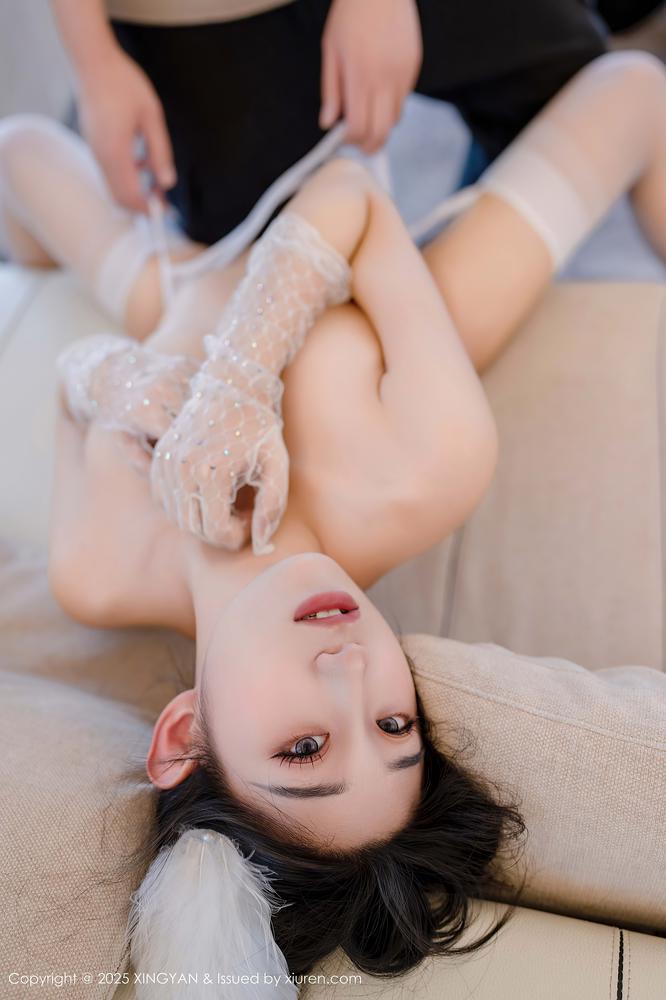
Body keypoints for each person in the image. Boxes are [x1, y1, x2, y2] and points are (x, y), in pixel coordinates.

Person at [2, 48, 665, 980]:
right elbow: (351, 191)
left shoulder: (97, 571)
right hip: (379, 282)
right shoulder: (424, 468)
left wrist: (121, 380)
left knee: (19, 156)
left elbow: (75, 384)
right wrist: (240, 373)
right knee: (636, 89)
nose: (352, 671)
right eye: (395, 727)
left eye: (306, 746)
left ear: (183, 737)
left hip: (182, 285)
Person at [49, 0, 608, 242]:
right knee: (261, 259)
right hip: (192, 18)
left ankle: (470, 237)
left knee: (577, 87)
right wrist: (93, 63)